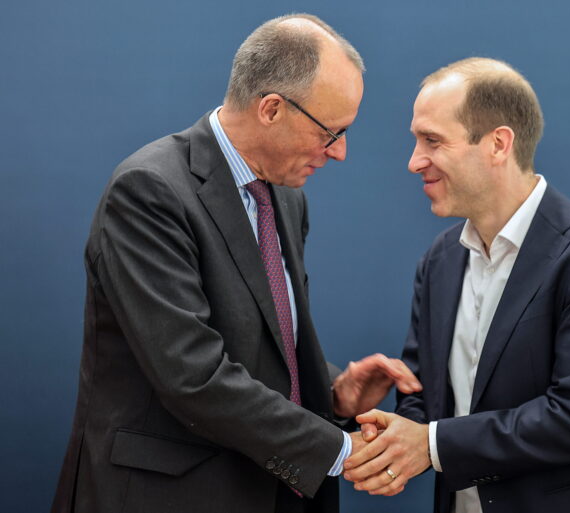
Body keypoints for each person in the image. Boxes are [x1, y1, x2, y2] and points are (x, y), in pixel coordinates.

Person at [51, 14, 421, 513]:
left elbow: (263, 341)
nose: (340, 153)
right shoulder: (149, 192)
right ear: (271, 108)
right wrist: (339, 449)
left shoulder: (287, 199)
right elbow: (192, 374)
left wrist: (333, 387)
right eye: (331, 132)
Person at [344, 58, 570, 513]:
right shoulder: (440, 259)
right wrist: (392, 439)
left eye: (432, 141)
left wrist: (428, 444)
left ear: (498, 144)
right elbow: (425, 400)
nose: (414, 162)